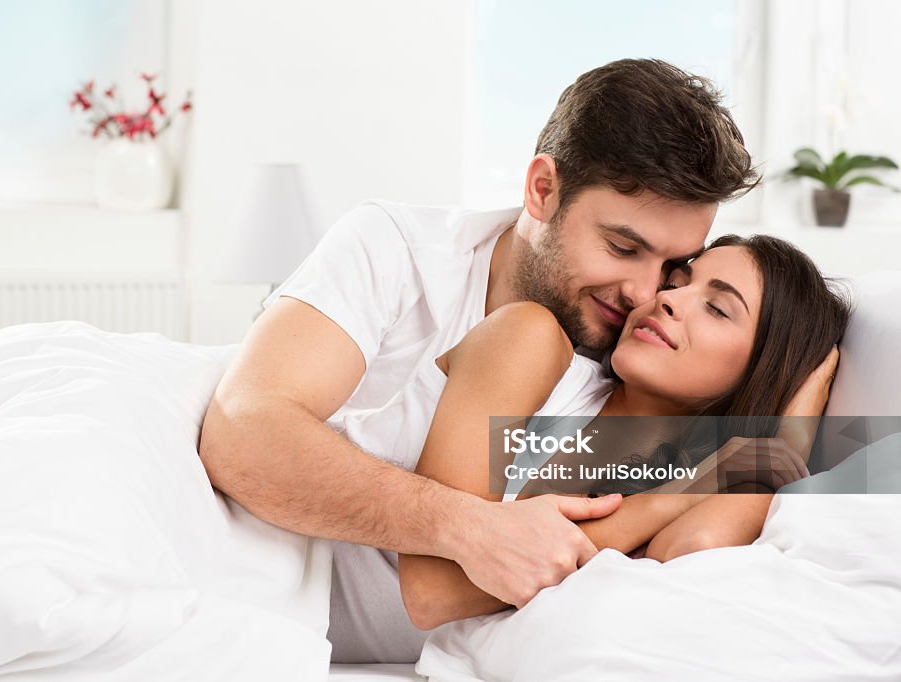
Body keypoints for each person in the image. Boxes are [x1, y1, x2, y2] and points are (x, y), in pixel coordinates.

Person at [198, 58, 762, 663]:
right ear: (542, 189)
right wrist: (465, 526)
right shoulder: (401, 251)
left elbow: (695, 545)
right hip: (216, 565)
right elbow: (241, 432)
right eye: (623, 247)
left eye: (673, 268)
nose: (645, 295)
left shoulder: (635, 374)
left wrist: (785, 430)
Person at [397, 234, 849, 630]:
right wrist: (684, 494)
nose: (666, 300)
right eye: (675, 283)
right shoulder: (528, 342)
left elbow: (693, 550)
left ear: (766, 368)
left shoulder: (692, 477)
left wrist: (787, 442)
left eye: (716, 308)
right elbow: (434, 593)